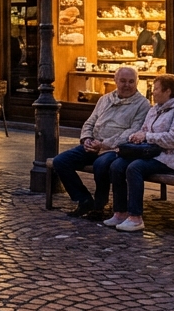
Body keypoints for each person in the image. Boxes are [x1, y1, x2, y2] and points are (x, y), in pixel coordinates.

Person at [51, 67, 150, 221]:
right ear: (115, 81)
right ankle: (84, 199)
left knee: (101, 164)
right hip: (93, 144)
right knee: (60, 161)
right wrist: (87, 139)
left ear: (137, 82)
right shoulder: (105, 99)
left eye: (131, 81)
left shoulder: (142, 104)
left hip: (115, 148)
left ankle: (99, 204)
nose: (127, 85)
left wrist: (104, 144)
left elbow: (131, 132)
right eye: (123, 81)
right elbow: (90, 121)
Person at [104, 74, 174, 233]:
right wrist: (137, 136)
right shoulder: (155, 109)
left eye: (156, 89)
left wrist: (147, 137)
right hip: (152, 154)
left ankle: (135, 217)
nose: (152, 92)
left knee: (135, 168)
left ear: (168, 91)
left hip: (172, 158)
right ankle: (120, 212)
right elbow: (145, 129)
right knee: (117, 165)